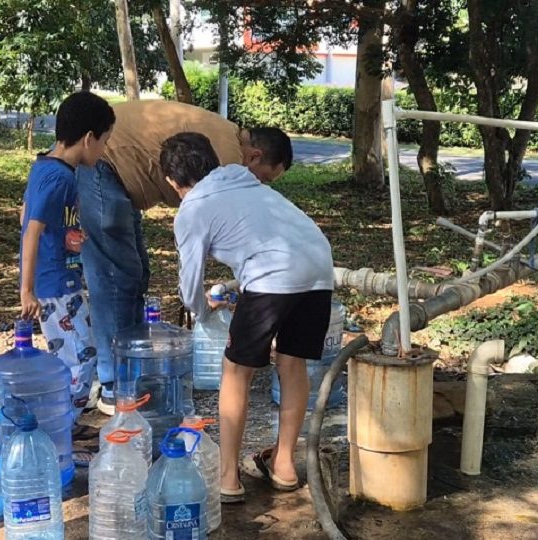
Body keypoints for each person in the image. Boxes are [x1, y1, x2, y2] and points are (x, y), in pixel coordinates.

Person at [75, 99, 287, 414]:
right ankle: (115, 387)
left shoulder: (228, 143)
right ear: (254, 156)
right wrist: (214, 302)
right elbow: (217, 230)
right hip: (103, 165)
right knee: (116, 277)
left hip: (116, 173)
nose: (262, 186)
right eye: (266, 178)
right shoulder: (229, 163)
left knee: (134, 274)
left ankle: (131, 368)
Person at [160, 131, 334, 504]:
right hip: (320, 267)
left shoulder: (192, 208)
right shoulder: (243, 179)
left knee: (236, 370)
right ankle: (284, 465)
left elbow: (189, 287)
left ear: (173, 181)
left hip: (272, 276)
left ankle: (227, 477)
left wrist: (203, 311)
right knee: (292, 364)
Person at [19, 91, 115, 416]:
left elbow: (25, 214)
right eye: (104, 142)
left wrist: (67, 234)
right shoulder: (59, 177)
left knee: (72, 354)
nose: (104, 151)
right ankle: (63, 427)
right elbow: (31, 230)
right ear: (88, 138)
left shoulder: (45, 166)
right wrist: (26, 290)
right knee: (82, 356)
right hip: (56, 286)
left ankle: (62, 422)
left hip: (63, 281)